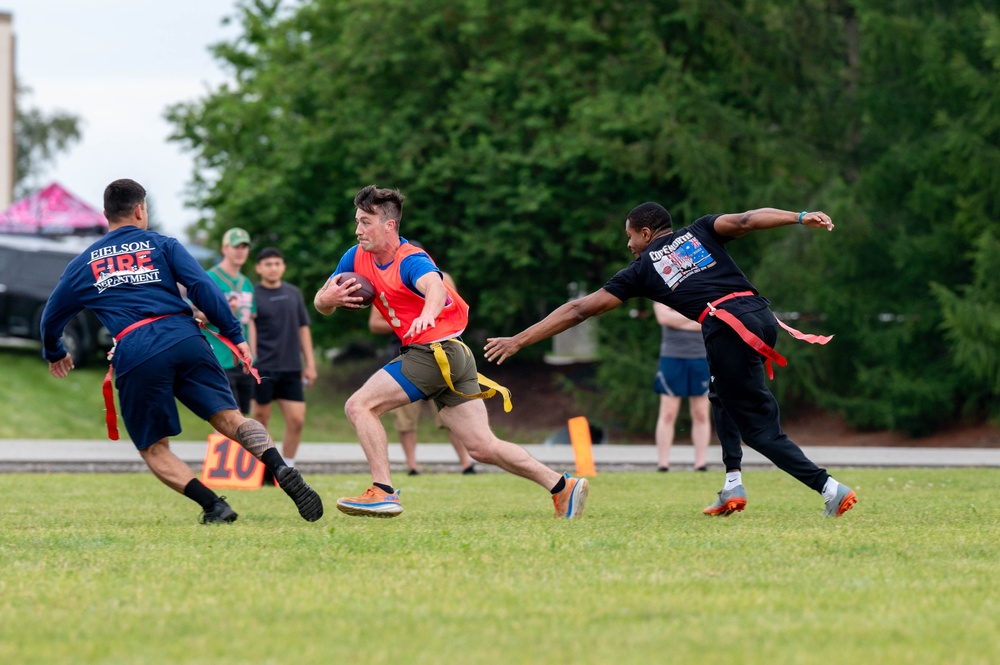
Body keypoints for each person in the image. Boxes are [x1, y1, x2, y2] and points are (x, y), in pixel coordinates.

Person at [484, 203, 857, 518]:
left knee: (758, 429)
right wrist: (800, 216)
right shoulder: (702, 229)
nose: (628, 245)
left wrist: (520, 339)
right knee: (721, 394)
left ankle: (829, 488)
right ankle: (732, 483)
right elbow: (746, 220)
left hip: (727, 328)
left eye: (629, 236)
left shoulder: (642, 269)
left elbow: (580, 309)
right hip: (758, 315)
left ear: (645, 233)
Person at [40, 179, 323, 524]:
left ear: (105, 215)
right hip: (184, 338)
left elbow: (51, 316)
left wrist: (55, 351)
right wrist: (235, 334)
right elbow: (203, 287)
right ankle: (280, 468)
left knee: (153, 447)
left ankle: (214, 506)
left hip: (137, 349)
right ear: (140, 210)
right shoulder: (162, 244)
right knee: (231, 418)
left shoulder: (83, 264)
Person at [313, 184, 588, 518]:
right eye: (357, 221)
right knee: (482, 447)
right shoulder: (355, 256)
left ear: (390, 226)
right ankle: (563, 486)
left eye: (366, 222)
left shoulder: (411, 258)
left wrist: (428, 313)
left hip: (434, 350)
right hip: (451, 355)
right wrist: (327, 301)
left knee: (359, 405)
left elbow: (435, 286)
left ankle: (383, 491)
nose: (358, 229)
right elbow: (321, 300)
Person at [366, 245, 476, 477]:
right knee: (404, 417)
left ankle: (467, 463)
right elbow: (374, 324)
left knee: (453, 416)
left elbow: (453, 309)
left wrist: (428, 316)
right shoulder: (386, 281)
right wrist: (406, 321)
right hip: (405, 352)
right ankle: (412, 466)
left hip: (441, 352)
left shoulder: (442, 278)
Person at [252, 247, 318, 479]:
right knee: (260, 420)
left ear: (283, 267)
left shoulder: (293, 293)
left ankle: (286, 469)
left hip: (291, 367)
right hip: (263, 368)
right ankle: (267, 469)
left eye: (277, 263)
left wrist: (310, 363)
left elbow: (303, 329)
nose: (273, 268)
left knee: (297, 420)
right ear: (259, 268)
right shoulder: (252, 295)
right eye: (268, 264)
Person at [198, 227, 256, 414]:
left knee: (244, 417)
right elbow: (193, 316)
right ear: (224, 249)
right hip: (219, 358)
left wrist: (254, 355)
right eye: (235, 246)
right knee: (229, 416)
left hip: (243, 360)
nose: (240, 251)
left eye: (244, 246)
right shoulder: (209, 278)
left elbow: (250, 321)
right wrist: (220, 312)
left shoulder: (245, 282)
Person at [652, 302, 711, 472]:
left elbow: (708, 322)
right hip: (672, 358)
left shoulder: (702, 295)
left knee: (701, 413)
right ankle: (663, 464)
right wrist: (694, 317)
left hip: (701, 358)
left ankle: (700, 464)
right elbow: (663, 317)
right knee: (668, 413)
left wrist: (677, 319)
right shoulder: (663, 294)